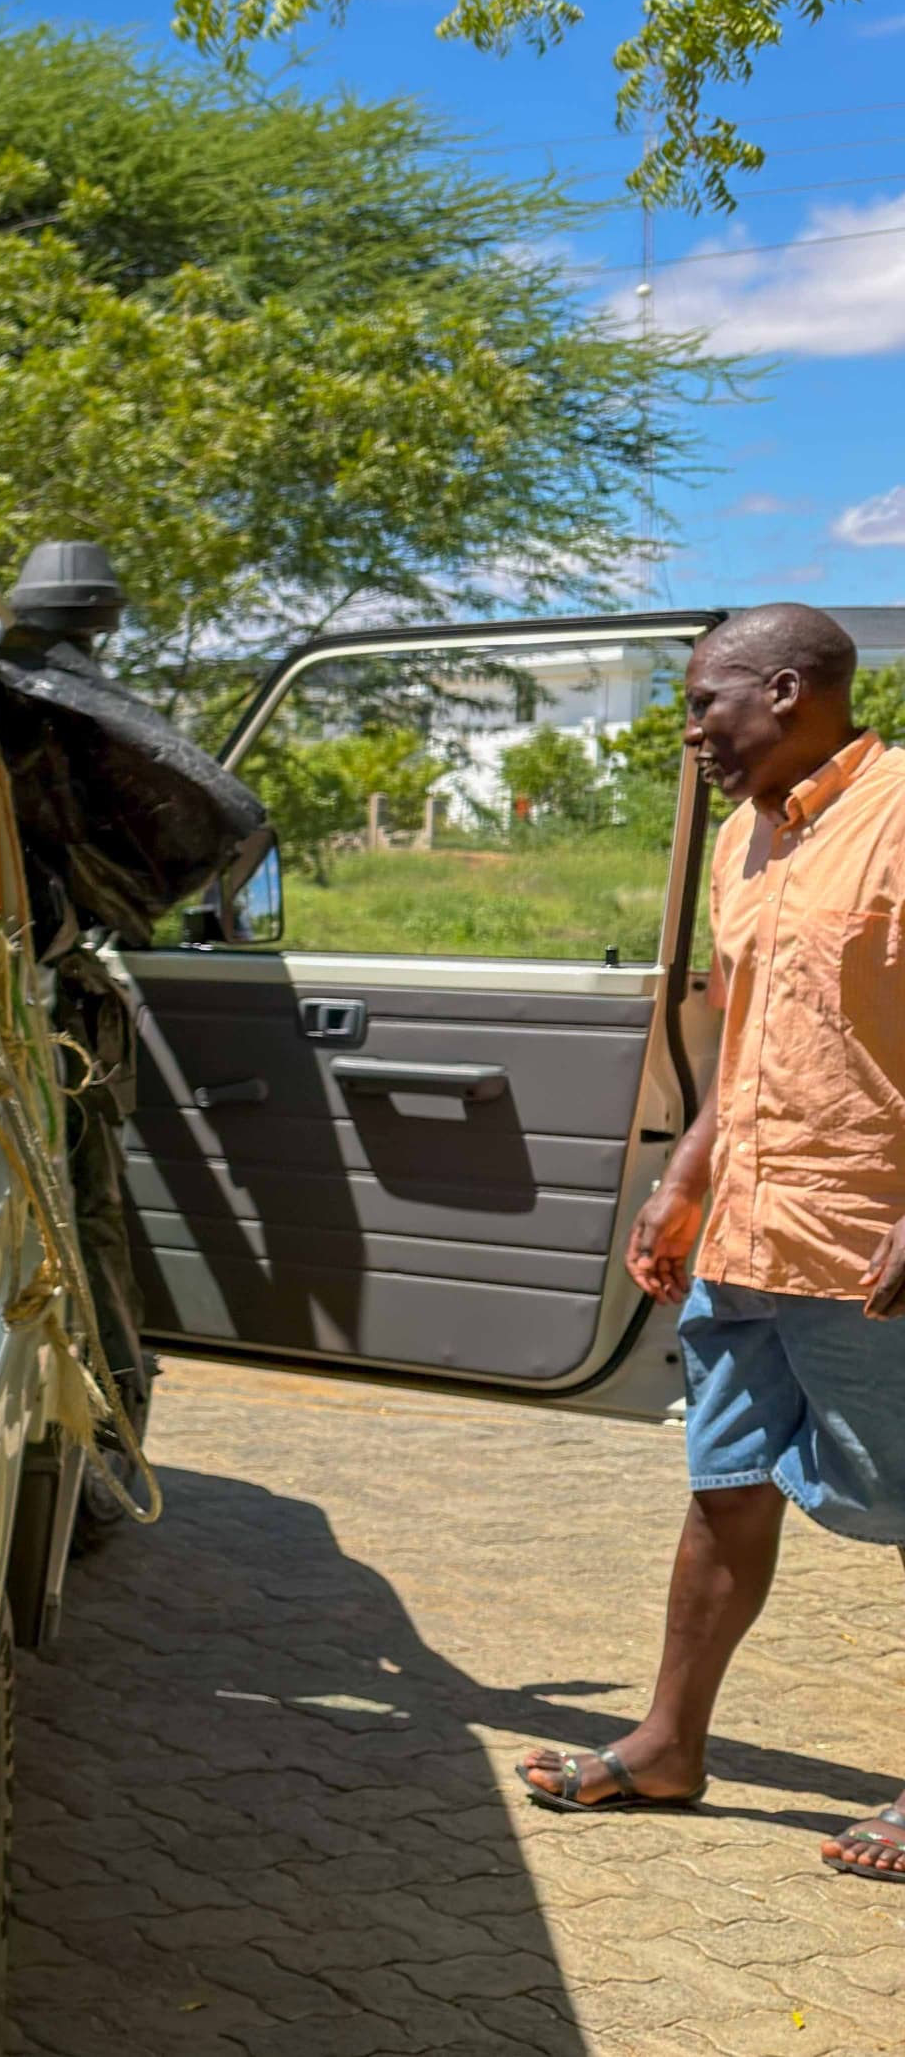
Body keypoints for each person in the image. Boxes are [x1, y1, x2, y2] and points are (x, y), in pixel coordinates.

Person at [524, 603, 905, 1887]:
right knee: (724, 1488)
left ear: (787, 691)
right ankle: (672, 1744)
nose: (691, 732)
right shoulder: (750, 833)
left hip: (862, 1246)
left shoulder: (902, 812)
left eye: (704, 703)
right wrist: (683, 1182)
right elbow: (746, 1032)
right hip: (747, 1228)